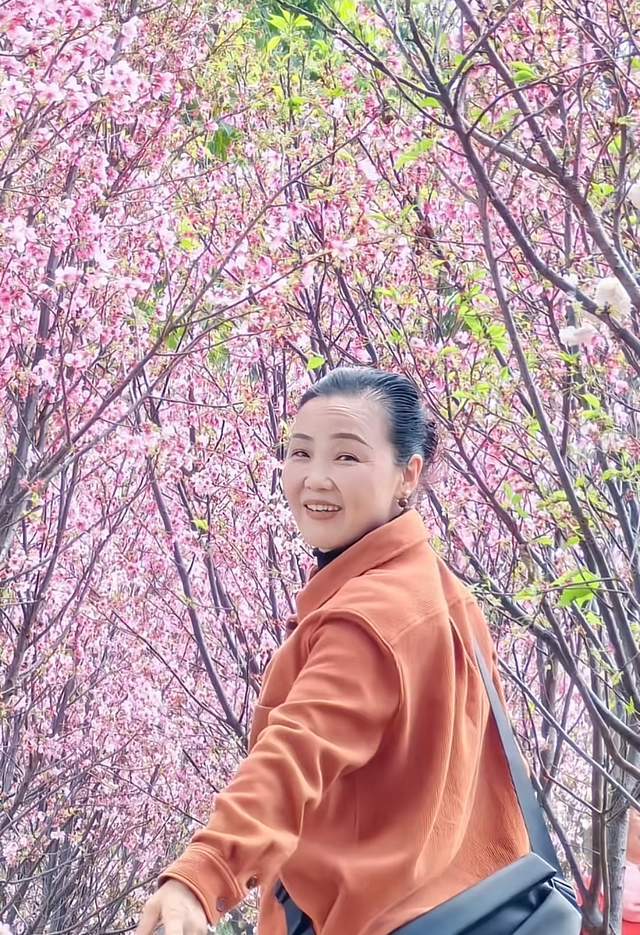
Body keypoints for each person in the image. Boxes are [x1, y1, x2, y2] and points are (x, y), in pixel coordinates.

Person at [135, 367, 530, 935]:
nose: (315, 479)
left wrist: (204, 872)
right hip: (476, 908)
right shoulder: (436, 588)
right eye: (300, 453)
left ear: (408, 475)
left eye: (347, 457)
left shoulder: (369, 617)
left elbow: (296, 751)